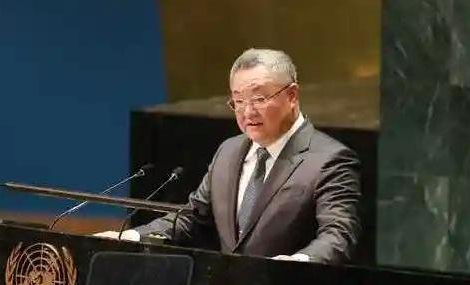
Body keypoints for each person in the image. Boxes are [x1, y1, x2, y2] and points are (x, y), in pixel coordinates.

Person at [96, 48, 361, 265]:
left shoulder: (329, 160)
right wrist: (129, 237)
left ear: (291, 95)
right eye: (239, 101)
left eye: (259, 99)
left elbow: (338, 234)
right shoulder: (229, 151)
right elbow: (191, 219)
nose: (248, 112)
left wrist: (298, 264)